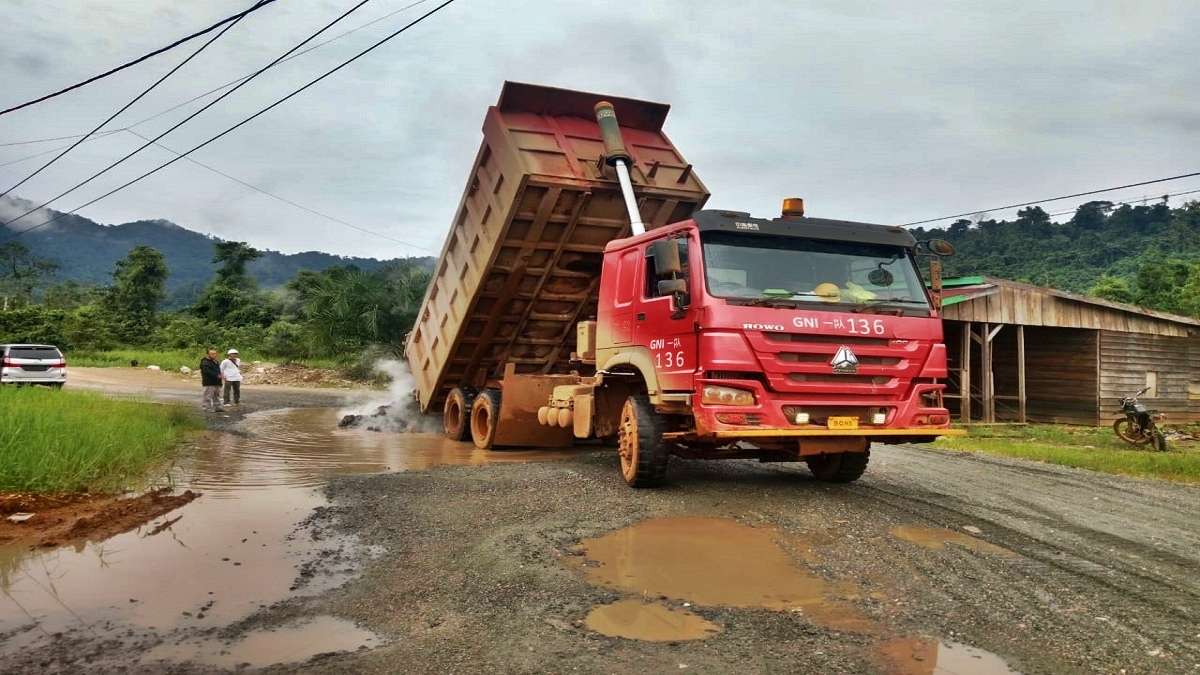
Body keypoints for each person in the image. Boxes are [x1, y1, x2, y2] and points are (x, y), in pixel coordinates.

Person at [199, 348, 223, 412]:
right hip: (209, 382)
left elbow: (218, 370)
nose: (214, 355)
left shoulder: (216, 361)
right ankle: (207, 408)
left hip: (217, 382)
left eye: (215, 353)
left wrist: (220, 375)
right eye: (212, 354)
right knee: (207, 396)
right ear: (208, 354)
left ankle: (218, 407)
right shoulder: (205, 362)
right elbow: (207, 371)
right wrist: (216, 375)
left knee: (217, 396)